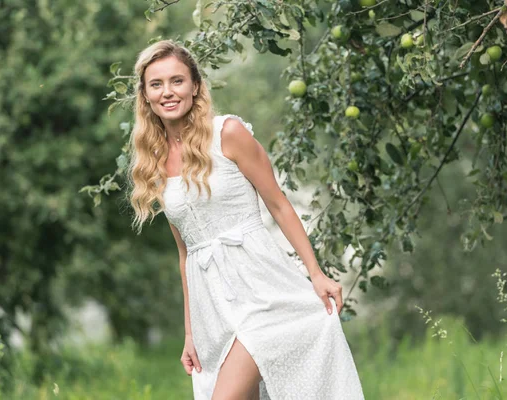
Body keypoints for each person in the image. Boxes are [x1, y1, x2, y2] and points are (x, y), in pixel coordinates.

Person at [127, 39, 364, 400]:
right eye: (156, 84)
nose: (168, 92)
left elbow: (279, 204)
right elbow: (186, 254)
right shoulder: (154, 164)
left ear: (195, 86)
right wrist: (190, 333)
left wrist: (315, 273)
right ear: (145, 96)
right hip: (212, 306)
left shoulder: (228, 133)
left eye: (177, 80)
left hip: (260, 288)